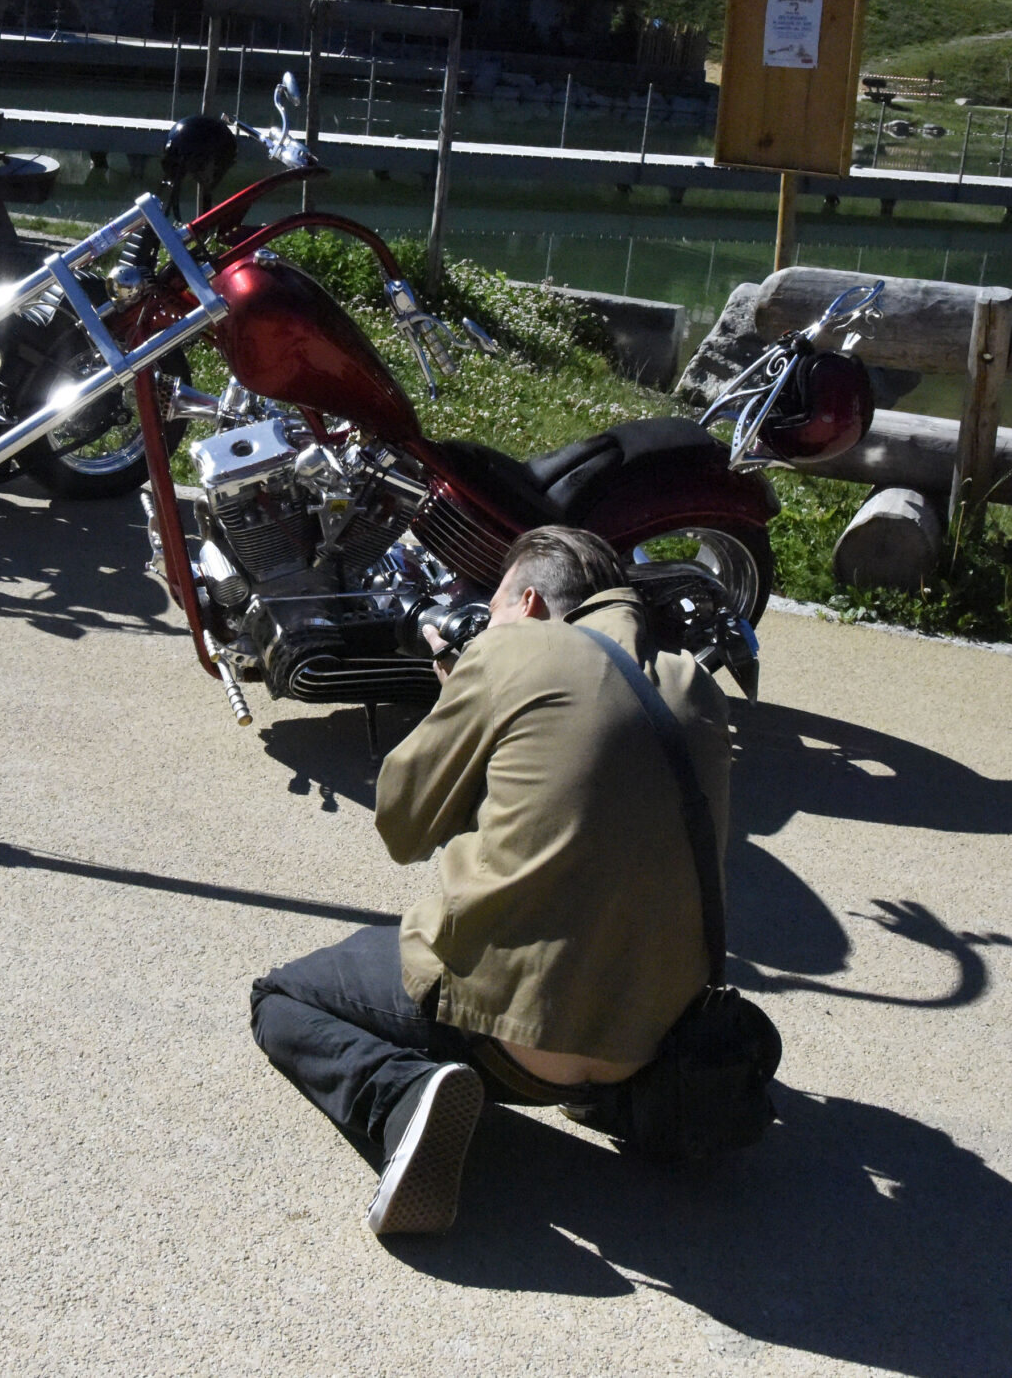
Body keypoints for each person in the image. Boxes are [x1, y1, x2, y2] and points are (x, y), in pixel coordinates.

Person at [249, 525, 743, 1237]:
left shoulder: (512, 653)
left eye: (494, 610)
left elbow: (402, 825)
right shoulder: (695, 684)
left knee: (281, 998)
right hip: (651, 1043)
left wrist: (459, 692)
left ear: (531, 603)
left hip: (511, 1039)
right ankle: (608, 1098)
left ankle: (405, 1097)